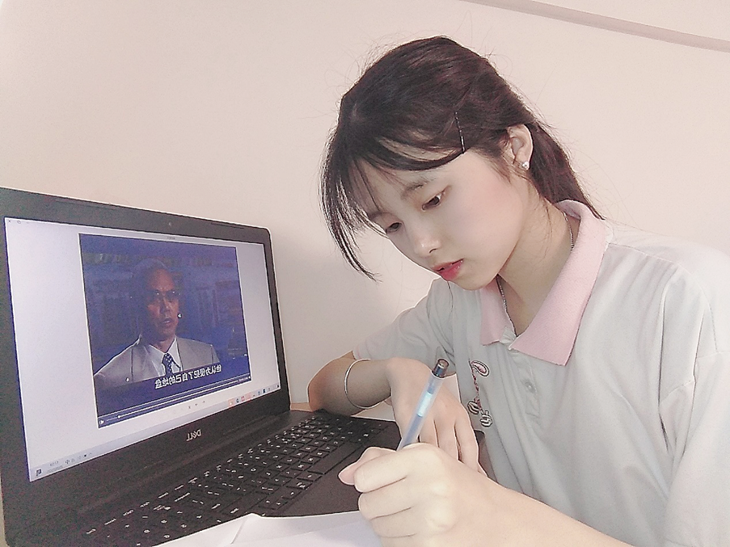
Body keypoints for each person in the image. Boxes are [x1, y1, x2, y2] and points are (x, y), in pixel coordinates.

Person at [307, 36, 730, 546]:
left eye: (434, 199)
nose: (421, 245)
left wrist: (482, 508)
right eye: (392, 226)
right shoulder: (458, 303)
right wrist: (398, 371)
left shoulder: (689, 302)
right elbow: (324, 389)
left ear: (514, 148)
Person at [94, 259, 219, 390]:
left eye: (171, 295)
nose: (166, 307)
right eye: (154, 298)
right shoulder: (110, 379)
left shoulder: (206, 356)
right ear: (137, 304)